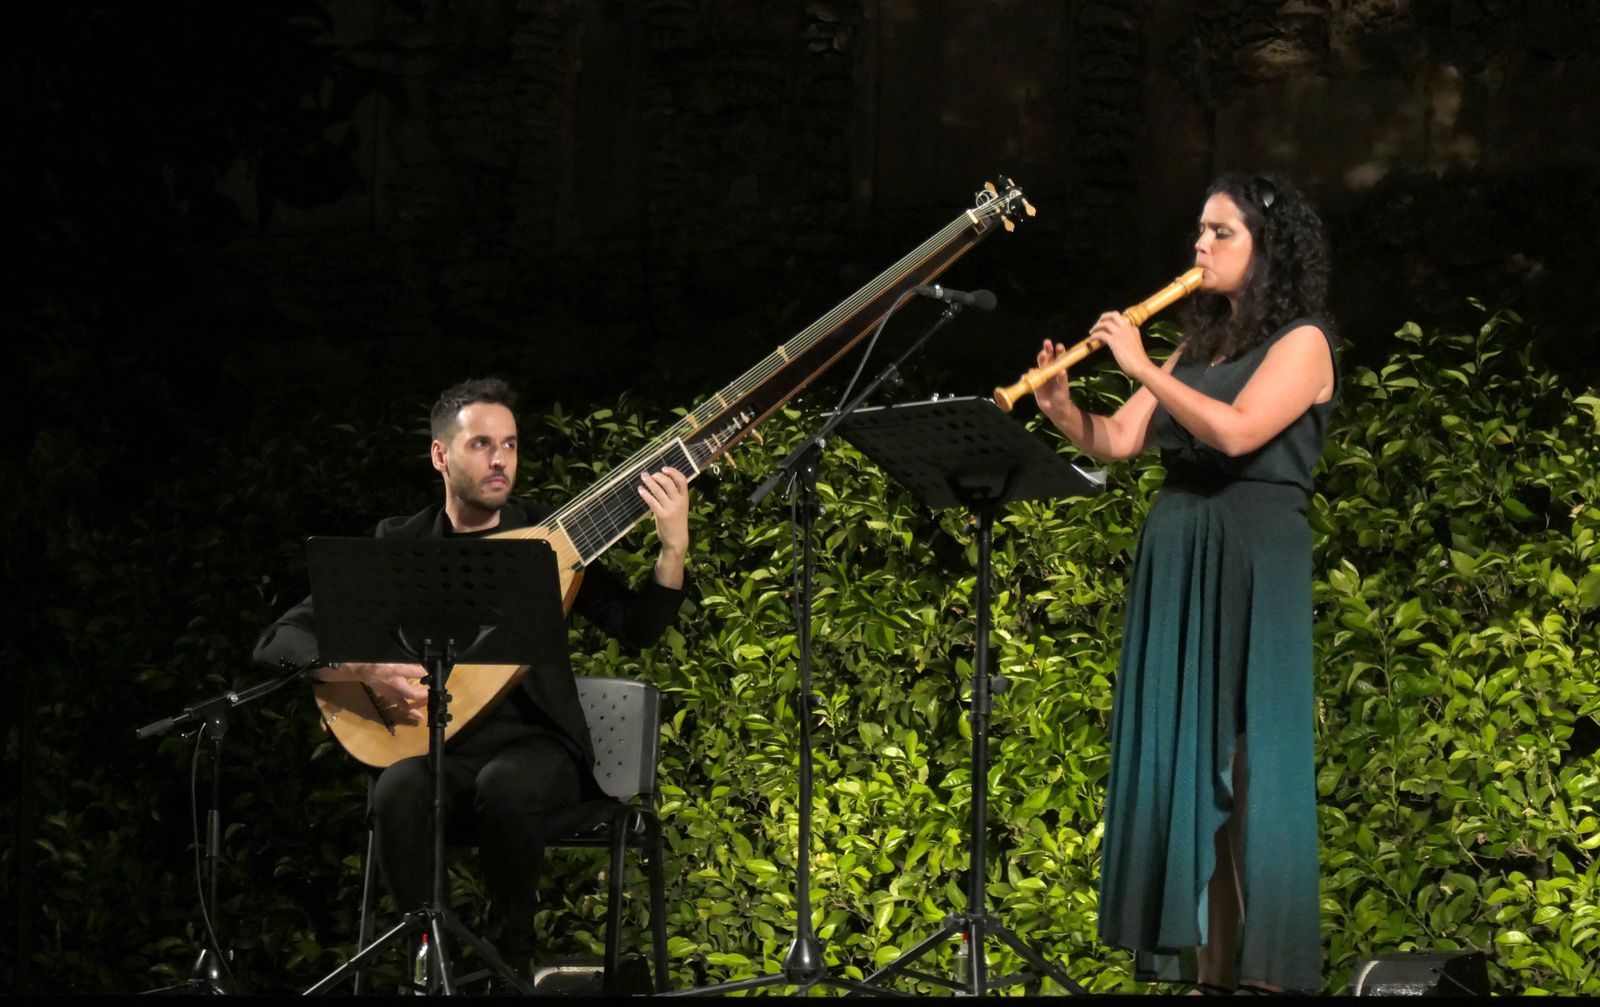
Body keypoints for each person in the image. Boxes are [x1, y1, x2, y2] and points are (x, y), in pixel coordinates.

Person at [253, 377, 692, 970]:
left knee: (506, 784)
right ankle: (426, 959)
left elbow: (635, 629)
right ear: (441, 455)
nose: (500, 460)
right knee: (398, 787)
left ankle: (511, 956)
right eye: (482, 444)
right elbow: (280, 640)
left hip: (540, 753)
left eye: (510, 445)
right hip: (443, 750)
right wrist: (362, 668)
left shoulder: (550, 538)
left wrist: (672, 549)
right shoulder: (401, 545)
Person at [1032, 173, 1336, 993]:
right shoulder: (1199, 345)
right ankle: (1211, 978)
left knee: (1248, 771)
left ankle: (1266, 978)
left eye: (1221, 233)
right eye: (1198, 232)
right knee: (1193, 772)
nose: (1199, 247)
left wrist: (1139, 361)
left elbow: (1237, 432)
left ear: (1267, 247)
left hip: (1251, 556)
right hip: (1180, 554)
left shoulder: (1303, 342)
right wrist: (1063, 407)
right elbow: (1122, 439)